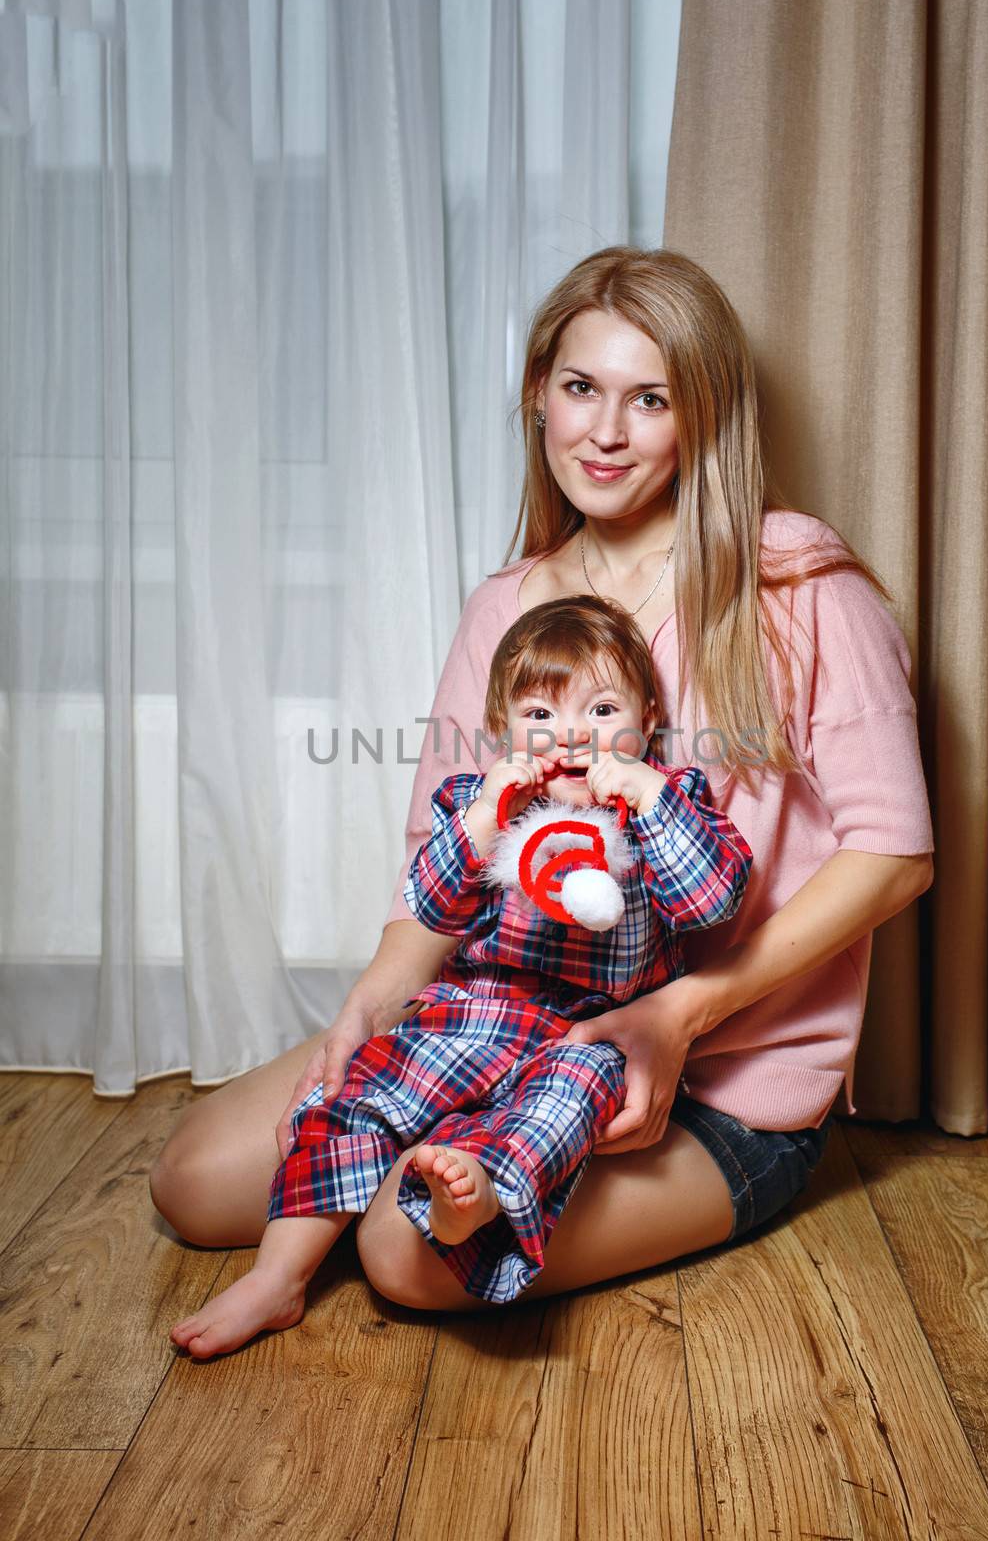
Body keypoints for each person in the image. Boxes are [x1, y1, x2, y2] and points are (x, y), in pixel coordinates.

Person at [150, 245, 934, 1332]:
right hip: (502, 1016)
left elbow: (895, 849)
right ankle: (391, 1170)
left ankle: (471, 1172)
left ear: (700, 415)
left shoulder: (795, 583)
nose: (603, 433)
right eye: (579, 389)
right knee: (192, 1183)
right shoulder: (506, 608)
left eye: (648, 399)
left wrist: (678, 1013)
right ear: (538, 395)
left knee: (403, 1246)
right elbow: (446, 861)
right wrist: (370, 1009)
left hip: (723, 1075)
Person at [169, 596, 753, 1350]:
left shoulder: (668, 808)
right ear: (500, 729)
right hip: (477, 1010)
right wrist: (483, 815)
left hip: (595, 1029)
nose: (571, 734)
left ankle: (477, 1200)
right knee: (356, 1094)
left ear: (646, 717)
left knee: (558, 1110)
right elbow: (431, 903)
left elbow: (712, 900)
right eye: (540, 713)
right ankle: (279, 1276)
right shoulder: (485, 805)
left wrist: (650, 796)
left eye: (602, 709)